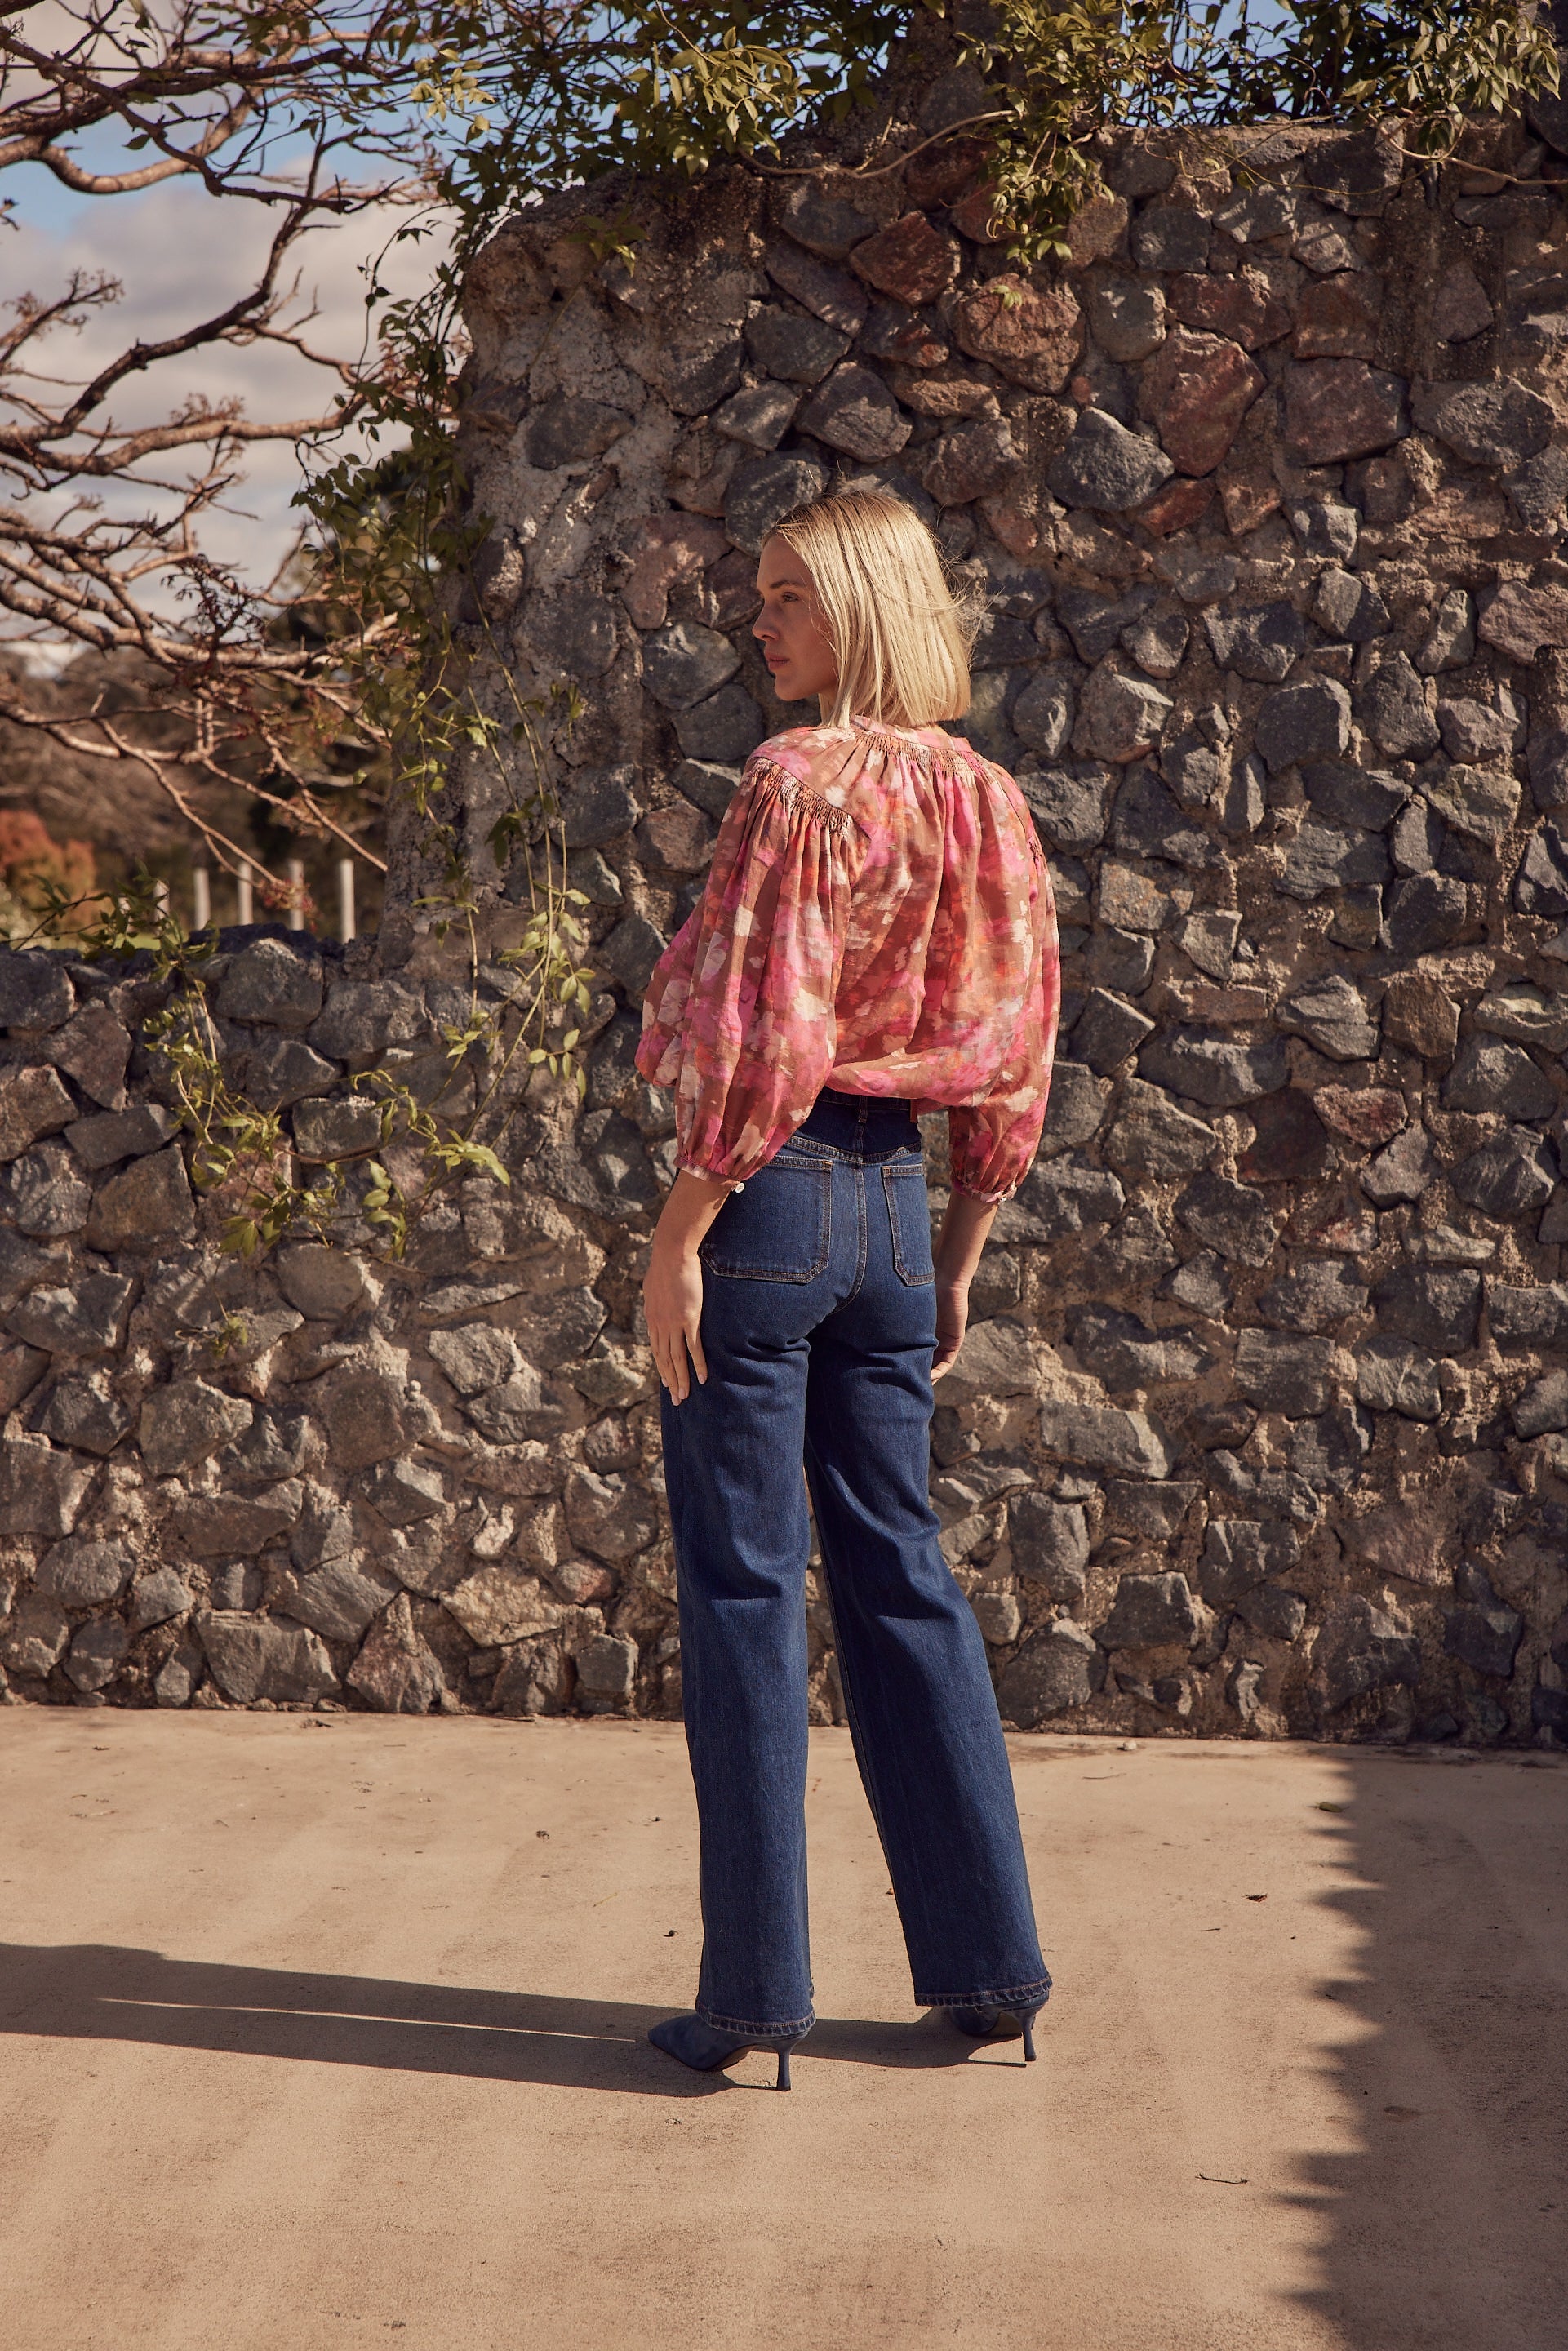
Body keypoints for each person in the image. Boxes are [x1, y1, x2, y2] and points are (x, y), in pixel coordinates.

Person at [633, 488, 1060, 2091]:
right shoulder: (988, 800)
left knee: (746, 1587)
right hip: (894, 1212)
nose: (758, 623)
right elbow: (1016, 1042)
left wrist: (677, 1235)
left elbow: (769, 1032)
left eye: (787, 597)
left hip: (772, 1194)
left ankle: (753, 1995)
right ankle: (992, 1974)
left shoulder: (794, 781)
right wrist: (957, 1255)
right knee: (904, 1577)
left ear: (862, 608)